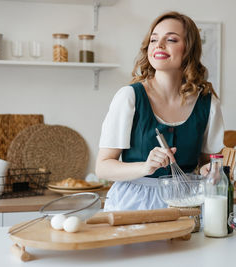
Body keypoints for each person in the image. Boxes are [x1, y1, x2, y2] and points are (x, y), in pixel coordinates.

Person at [96, 11, 225, 211]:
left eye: (171, 39)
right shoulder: (129, 97)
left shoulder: (208, 104)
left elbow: (209, 163)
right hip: (133, 205)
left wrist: (211, 171)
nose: (158, 45)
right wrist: (144, 167)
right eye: (154, 39)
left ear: (188, 49)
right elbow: (103, 167)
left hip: (187, 203)